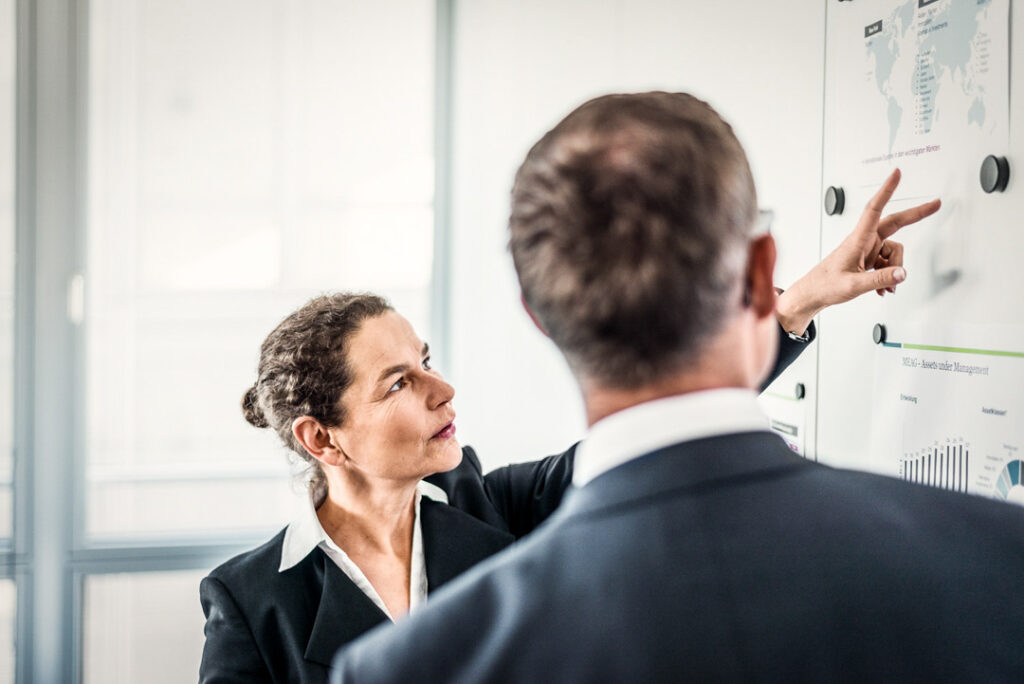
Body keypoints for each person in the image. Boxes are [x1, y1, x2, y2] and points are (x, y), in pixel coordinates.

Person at [331, 92, 1024, 683]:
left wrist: (793, 306)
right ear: (761, 270)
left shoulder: (414, 667)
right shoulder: (997, 556)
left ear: (539, 318)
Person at [198, 282, 816, 684]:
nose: (443, 392)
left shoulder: (491, 509)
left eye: (427, 363)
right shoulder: (250, 601)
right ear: (322, 440)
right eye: (398, 383)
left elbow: (647, 432)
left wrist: (791, 312)